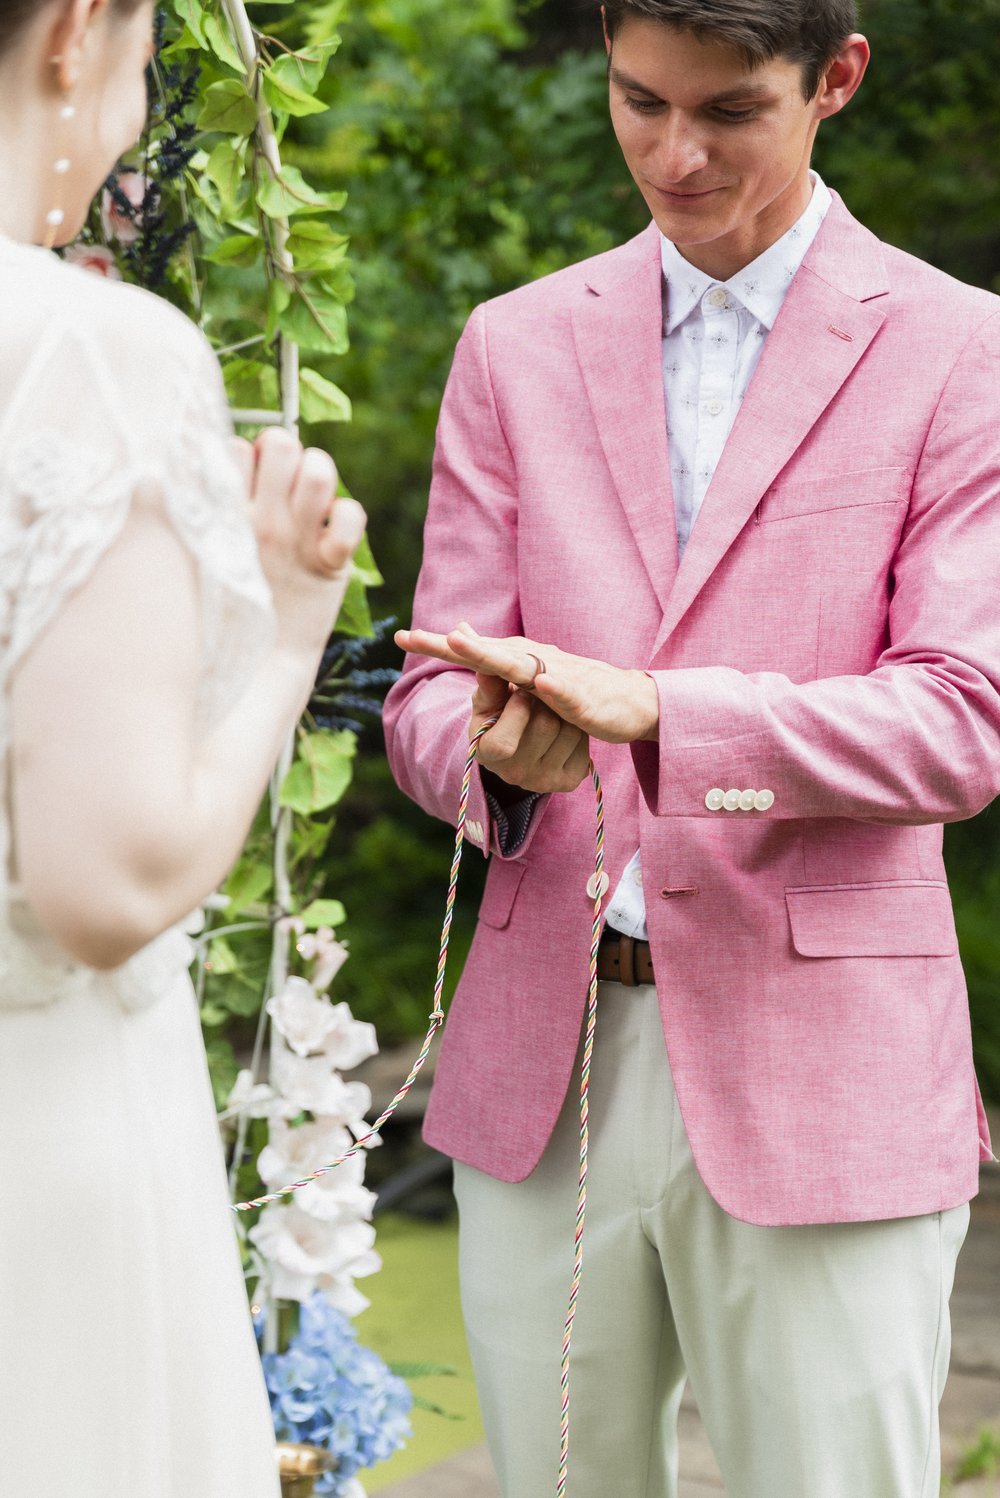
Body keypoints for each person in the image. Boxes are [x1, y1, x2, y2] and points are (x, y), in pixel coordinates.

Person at [384, 2, 1000, 1494]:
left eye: (725, 111)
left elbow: (962, 719)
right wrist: (497, 763)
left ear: (836, 78)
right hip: (545, 1061)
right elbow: (419, 702)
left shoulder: (960, 349)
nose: (672, 152)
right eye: (636, 98)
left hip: (826, 1071)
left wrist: (663, 713)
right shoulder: (514, 345)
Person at [0, 2, 366, 1494]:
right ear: (77, 31)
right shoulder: (86, 357)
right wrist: (283, 635)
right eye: (151, 45)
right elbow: (112, 876)